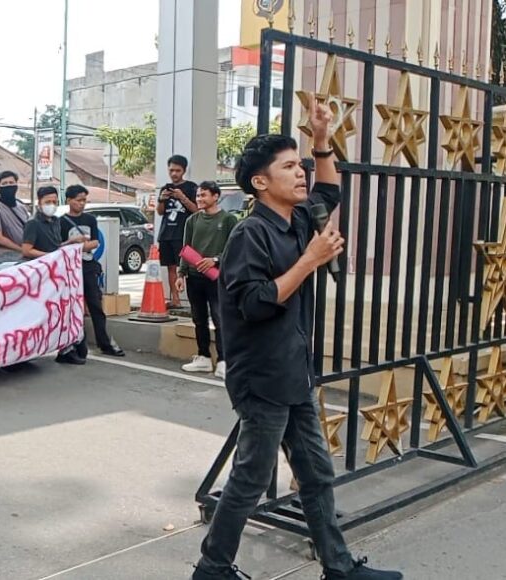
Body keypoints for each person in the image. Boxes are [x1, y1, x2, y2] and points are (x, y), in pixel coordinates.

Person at [191, 102, 401, 580]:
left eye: (298, 163)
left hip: (294, 372)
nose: (300, 172)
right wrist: (309, 261)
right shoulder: (250, 234)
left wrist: (321, 140)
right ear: (260, 182)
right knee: (250, 479)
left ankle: (339, 567)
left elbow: (330, 189)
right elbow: (255, 303)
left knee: (316, 474)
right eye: (288, 166)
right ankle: (212, 568)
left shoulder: (298, 219)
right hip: (263, 378)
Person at [176, 181, 237, 379]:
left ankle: (224, 361)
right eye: (198, 196)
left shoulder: (228, 220)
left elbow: (234, 249)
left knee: (220, 319)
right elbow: (186, 248)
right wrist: (181, 274)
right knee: (198, 319)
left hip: (217, 278)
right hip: (194, 278)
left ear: (215, 196)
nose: (199, 199)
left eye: (204, 195)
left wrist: (215, 260)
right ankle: (203, 357)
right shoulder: (192, 220)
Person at [59, 184, 125, 359]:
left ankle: (104, 342)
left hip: (88, 266)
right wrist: (74, 244)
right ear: (69, 200)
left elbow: (95, 242)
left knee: (95, 305)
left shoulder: (90, 219)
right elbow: (59, 246)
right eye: (78, 200)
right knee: (73, 307)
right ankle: (76, 342)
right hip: (70, 268)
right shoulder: (61, 222)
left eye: (84, 200)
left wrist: (80, 246)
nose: (82, 203)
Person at [22, 186, 85, 365]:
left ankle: (66, 349)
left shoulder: (56, 221)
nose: (51, 205)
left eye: (54, 202)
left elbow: (56, 246)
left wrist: (69, 243)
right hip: (40, 276)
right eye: (47, 202)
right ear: (39, 202)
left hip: (56, 274)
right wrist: (50, 257)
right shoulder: (33, 224)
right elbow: (27, 250)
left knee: (61, 311)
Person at [156, 155, 199, 308]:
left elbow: (197, 210)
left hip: (183, 234)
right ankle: (175, 299)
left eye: (177, 170)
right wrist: (162, 199)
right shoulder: (165, 188)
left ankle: (194, 300)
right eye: (171, 170)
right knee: (171, 267)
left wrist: (182, 197)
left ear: (184, 170)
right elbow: (160, 212)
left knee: (188, 267)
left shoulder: (192, 187)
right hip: (166, 233)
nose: (174, 174)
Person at [0, 170, 31, 252]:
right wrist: (21, 250)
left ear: (16, 186)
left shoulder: (22, 208)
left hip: (28, 253)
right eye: (4, 183)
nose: (8, 185)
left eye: (11, 183)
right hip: (9, 255)